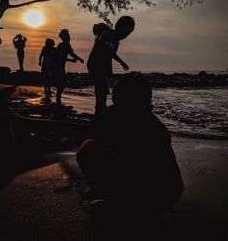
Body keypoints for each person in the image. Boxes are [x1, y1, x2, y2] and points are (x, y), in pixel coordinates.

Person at [76, 72, 184, 218]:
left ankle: (117, 202)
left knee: (88, 149)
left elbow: (94, 140)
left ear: (118, 95)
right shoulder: (155, 124)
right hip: (169, 195)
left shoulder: (114, 115)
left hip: (140, 194)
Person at [87, 16, 135, 117]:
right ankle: (99, 113)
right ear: (120, 28)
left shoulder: (114, 38)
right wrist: (121, 62)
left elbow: (110, 53)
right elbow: (107, 52)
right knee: (101, 91)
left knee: (102, 90)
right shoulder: (110, 35)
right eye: (126, 32)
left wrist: (118, 65)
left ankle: (100, 111)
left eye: (128, 34)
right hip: (96, 64)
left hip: (99, 65)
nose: (126, 36)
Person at [51, 29, 84, 105]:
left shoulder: (63, 44)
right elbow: (64, 56)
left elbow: (69, 54)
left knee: (61, 82)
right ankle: (58, 98)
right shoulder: (64, 44)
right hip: (58, 66)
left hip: (58, 66)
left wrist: (77, 59)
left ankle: (58, 98)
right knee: (62, 82)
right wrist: (78, 59)